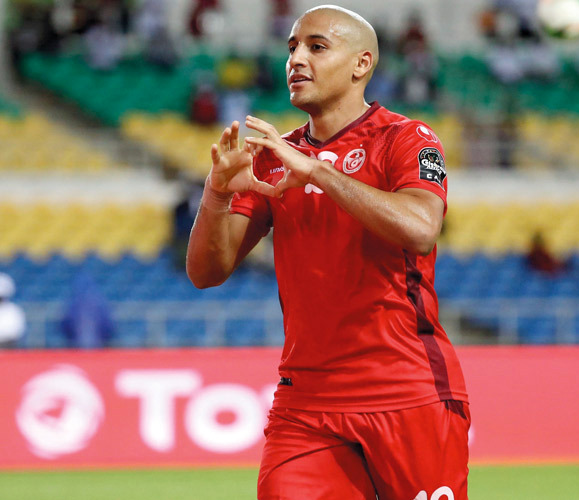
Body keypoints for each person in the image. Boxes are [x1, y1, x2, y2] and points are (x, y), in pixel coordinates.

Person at [186, 6, 470, 500]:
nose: (296, 58)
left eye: (316, 47)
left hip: (406, 392)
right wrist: (216, 194)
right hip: (306, 404)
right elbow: (206, 272)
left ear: (362, 64)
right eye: (292, 47)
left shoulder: (406, 138)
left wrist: (319, 170)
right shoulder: (274, 158)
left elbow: (421, 228)